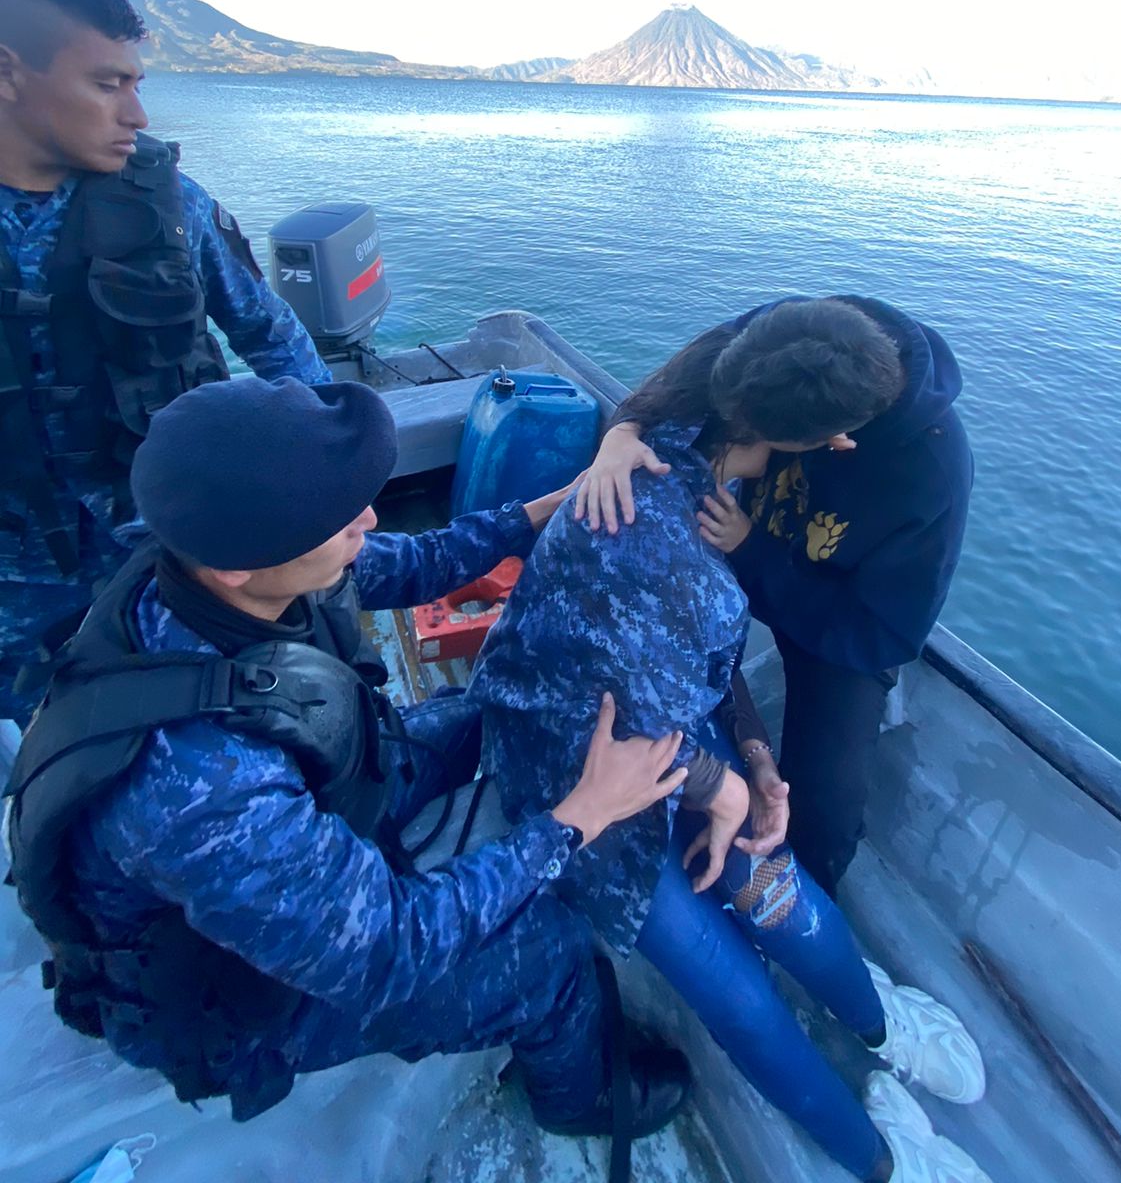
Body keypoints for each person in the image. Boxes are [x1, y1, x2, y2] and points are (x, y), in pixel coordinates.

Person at [3, 376, 690, 1137]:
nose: (367, 516)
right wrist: (577, 819)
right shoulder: (198, 785)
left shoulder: (239, 563)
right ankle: (578, 1100)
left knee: (489, 714)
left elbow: (409, 561)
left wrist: (540, 512)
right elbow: (391, 949)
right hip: (242, 995)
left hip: (329, 796)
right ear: (239, 563)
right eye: (340, 514)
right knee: (552, 952)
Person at [471, 386, 989, 1181]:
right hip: (569, 767)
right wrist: (725, 790)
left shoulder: (696, 456)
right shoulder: (660, 537)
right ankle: (884, 1162)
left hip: (665, 727)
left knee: (775, 890)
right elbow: (629, 714)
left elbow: (708, 666)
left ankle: (878, 1021)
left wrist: (753, 754)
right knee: (733, 990)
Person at [0, 0, 332, 723]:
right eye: (107, 84)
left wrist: (326, 488)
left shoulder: (169, 205)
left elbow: (274, 339)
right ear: (9, 72)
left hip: (169, 557)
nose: (137, 115)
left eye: (137, 84)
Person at [576, 295, 973, 897]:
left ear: (834, 441)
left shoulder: (931, 477)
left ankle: (797, 906)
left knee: (828, 805)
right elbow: (676, 382)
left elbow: (883, 633)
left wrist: (753, 552)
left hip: (838, 622)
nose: (739, 445)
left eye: (754, 439)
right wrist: (621, 434)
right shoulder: (784, 339)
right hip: (732, 545)